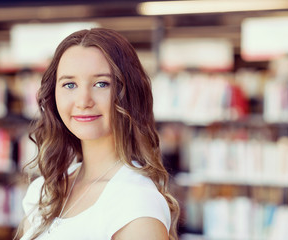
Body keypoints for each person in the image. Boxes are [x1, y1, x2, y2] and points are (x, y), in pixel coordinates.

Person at [16, 28, 179, 240]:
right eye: (70, 84)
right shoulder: (44, 191)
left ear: (128, 93)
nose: (83, 101)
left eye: (101, 84)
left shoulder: (136, 202)